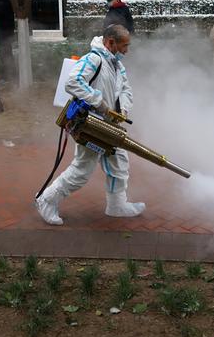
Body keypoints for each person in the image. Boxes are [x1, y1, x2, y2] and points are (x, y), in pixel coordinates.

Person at [36, 24, 145, 226]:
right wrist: (99, 101)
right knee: (82, 170)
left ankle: (116, 205)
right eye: (124, 46)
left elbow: (126, 90)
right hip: (91, 125)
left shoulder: (117, 66)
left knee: (119, 164)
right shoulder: (94, 59)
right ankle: (47, 200)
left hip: (111, 125)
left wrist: (123, 109)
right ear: (110, 42)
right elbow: (73, 82)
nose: (126, 51)